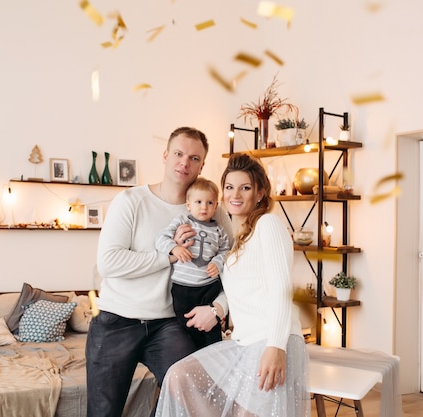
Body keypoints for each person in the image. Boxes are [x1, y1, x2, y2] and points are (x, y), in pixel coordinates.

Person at [86, 127, 233, 417]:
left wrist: (219, 309)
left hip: (169, 324)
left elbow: (235, 267)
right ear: (165, 155)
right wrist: (166, 257)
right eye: (178, 154)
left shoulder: (213, 211)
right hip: (116, 321)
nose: (184, 163)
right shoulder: (131, 201)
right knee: (103, 413)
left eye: (194, 158)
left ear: (202, 165)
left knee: (192, 394)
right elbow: (109, 263)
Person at [156, 153, 310, 417]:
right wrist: (217, 308)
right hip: (244, 343)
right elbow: (238, 290)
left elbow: (281, 290)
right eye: (229, 187)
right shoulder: (237, 240)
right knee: (178, 376)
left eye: (245, 187)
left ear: (260, 192)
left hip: (271, 341)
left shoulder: (268, 224)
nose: (235, 194)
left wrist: (276, 347)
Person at [156, 177, 231, 348]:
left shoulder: (219, 230)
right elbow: (161, 239)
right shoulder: (183, 221)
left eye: (210, 202)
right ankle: (191, 352)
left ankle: (211, 355)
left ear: (216, 206)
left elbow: (226, 251)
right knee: (186, 326)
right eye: (199, 202)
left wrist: (218, 262)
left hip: (208, 286)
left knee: (211, 333)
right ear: (188, 204)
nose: (204, 207)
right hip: (184, 287)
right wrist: (174, 249)